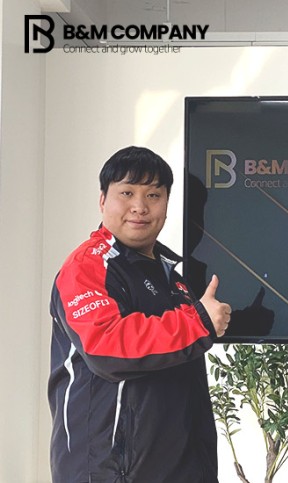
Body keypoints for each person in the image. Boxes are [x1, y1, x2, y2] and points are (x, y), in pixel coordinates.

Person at [47, 146, 231, 482]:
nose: (140, 207)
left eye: (154, 195)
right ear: (103, 200)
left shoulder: (171, 277)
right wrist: (200, 321)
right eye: (127, 193)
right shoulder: (87, 266)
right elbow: (106, 347)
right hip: (110, 474)